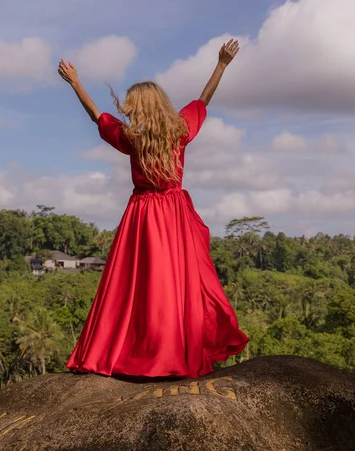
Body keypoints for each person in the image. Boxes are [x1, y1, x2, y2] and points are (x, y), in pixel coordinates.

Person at [58, 39, 249, 379]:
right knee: (172, 284)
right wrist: (221, 65)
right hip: (173, 213)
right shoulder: (179, 130)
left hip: (144, 213)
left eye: (131, 107)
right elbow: (202, 101)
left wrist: (75, 84)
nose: (127, 112)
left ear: (142, 106)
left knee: (137, 287)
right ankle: (170, 352)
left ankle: (140, 353)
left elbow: (97, 117)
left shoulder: (135, 138)